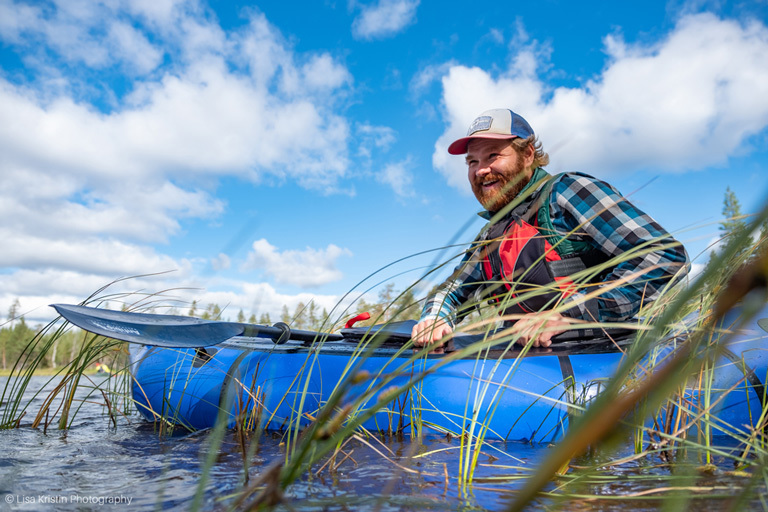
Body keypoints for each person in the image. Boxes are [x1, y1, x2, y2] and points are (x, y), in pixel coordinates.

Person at [411, 108, 689, 350]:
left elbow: (665, 256)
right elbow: (453, 288)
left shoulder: (568, 191)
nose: (481, 170)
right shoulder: (491, 235)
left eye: (493, 156)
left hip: (596, 360)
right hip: (526, 367)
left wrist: (571, 313)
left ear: (528, 154)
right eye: (472, 161)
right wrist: (435, 317)